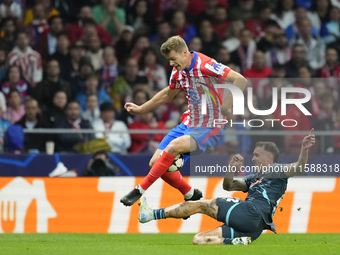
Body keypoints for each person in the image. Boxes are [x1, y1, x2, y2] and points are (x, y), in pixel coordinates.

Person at [120, 35, 247, 206]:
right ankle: (189, 192)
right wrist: (142, 108)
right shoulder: (178, 70)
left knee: (172, 148)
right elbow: (168, 93)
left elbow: (240, 80)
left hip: (209, 125)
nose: (171, 64)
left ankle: (139, 190)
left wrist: (226, 105)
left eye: (173, 59)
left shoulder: (205, 64)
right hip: (188, 122)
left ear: (184, 52)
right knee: (155, 163)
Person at [138, 130, 316, 245]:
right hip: (254, 228)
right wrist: (231, 170)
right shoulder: (253, 178)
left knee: (201, 204)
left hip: (252, 212)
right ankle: (238, 241)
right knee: (199, 240)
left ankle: (151, 215)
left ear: (269, 157)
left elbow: (298, 168)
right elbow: (228, 185)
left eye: (256, 155)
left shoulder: (277, 170)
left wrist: (304, 150)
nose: (252, 158)